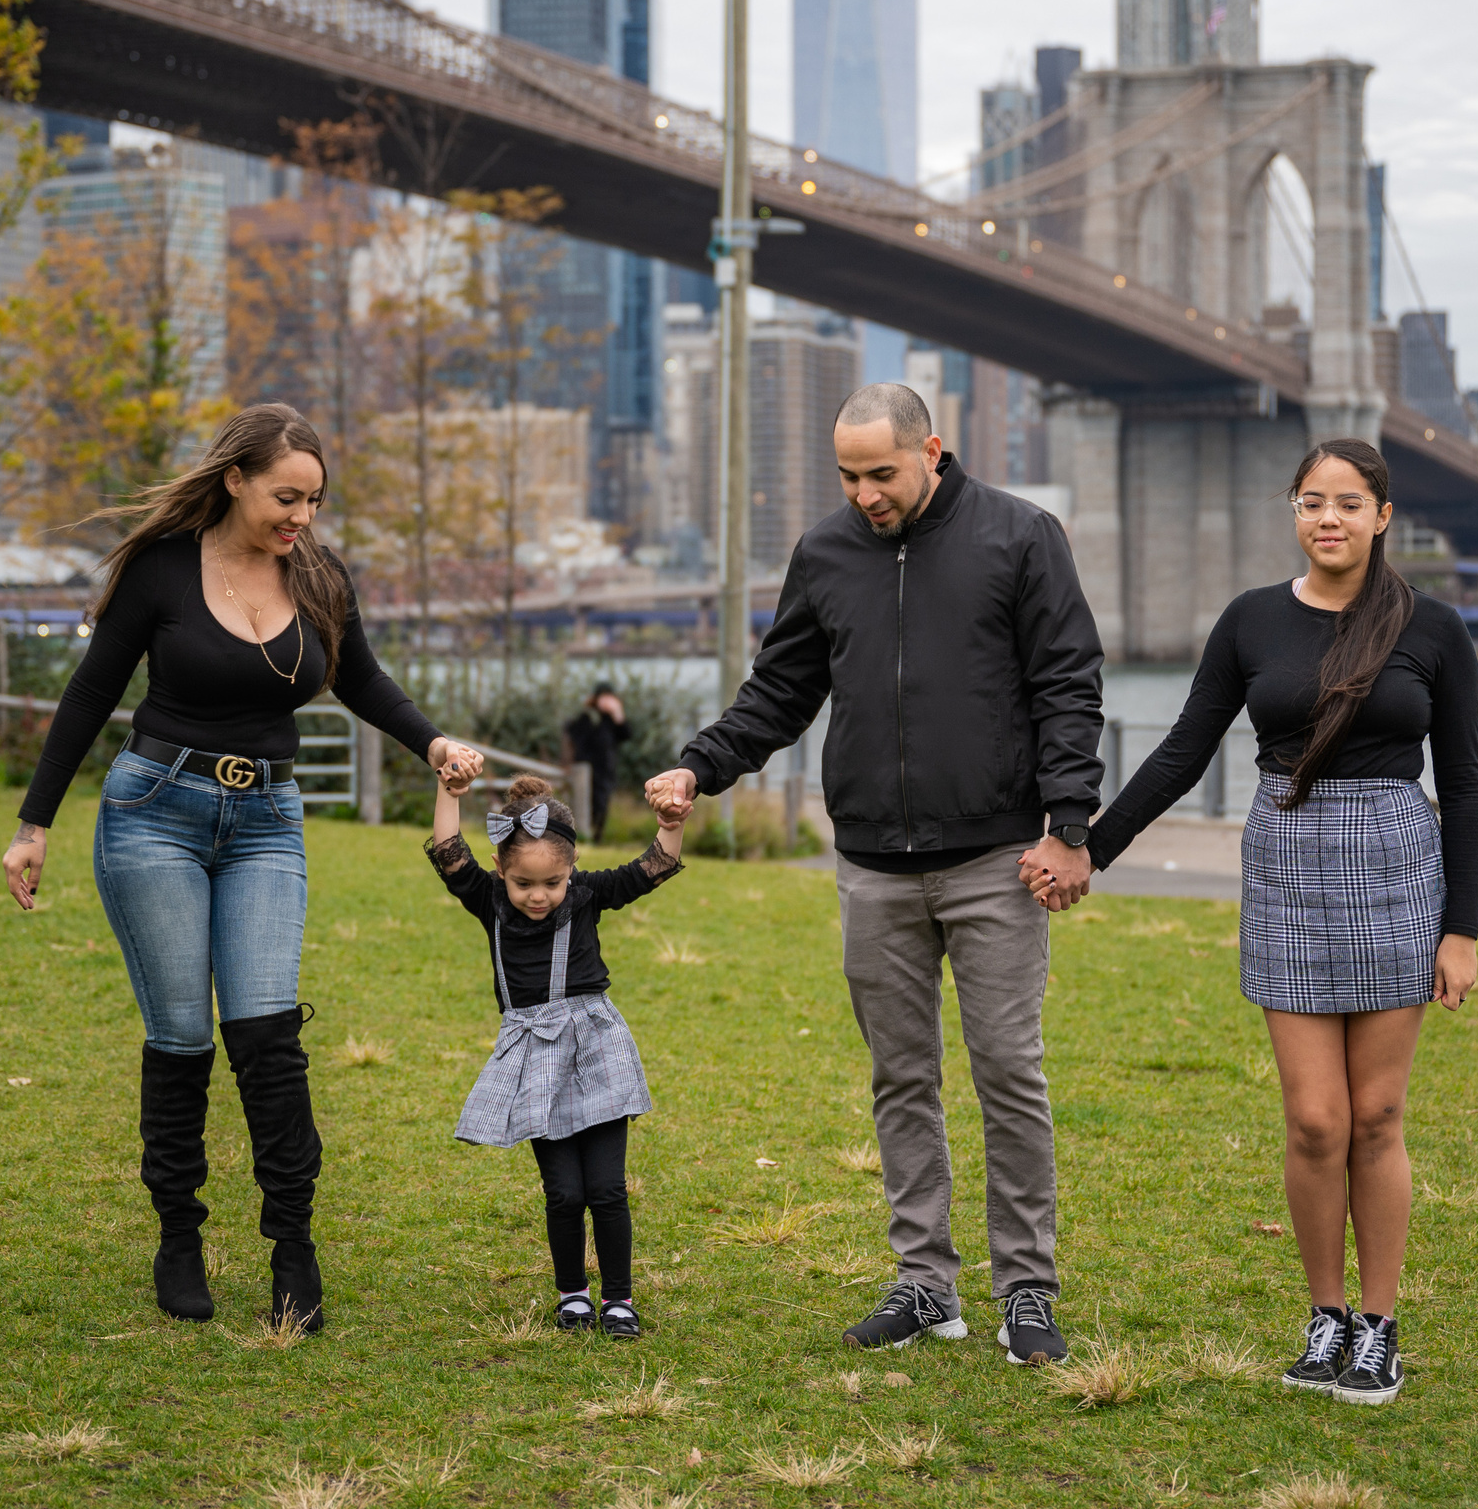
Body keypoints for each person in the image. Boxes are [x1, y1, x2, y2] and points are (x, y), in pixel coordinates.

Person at [645, 383, 1103, 1367]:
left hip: (994, 857)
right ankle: (925, 1284)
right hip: (871, 868)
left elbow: (1068, 684)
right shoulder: (827, 553)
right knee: (901, 1080)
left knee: (1007, 1075)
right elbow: (779, 692)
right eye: (848, 477)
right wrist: (701, 764)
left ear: (930, 450)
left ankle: (1025, 1289)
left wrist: (1069, 826)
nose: (864, 495)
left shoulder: (1021, 538)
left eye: (881, 474)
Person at [2, 403, 484, 1334]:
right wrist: (34, 824)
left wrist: (431, 744)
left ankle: (292, 1245)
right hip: (155, 813)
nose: (300, 516)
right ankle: (179, 1237)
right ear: (235, 479)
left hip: (267, 817)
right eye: (285, 496)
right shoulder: (163, 571)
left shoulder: (318, 575)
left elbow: (360, 679)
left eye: (314, 500)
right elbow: (92, 689)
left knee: (266, 1034)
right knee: (182, 1034)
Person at [1052, 438, 1478, 1407]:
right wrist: (1090, 847)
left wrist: (1462, 929)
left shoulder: (1433, 629)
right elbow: (1179, 753)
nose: (1326, 518)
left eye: (1345, 503)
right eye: (1308, 502)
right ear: (1293, 513)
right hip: (1287, 860)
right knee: (1312, 1120)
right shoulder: (1249, 621)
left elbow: (1460, 782)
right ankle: (1322, 1315)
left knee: (1376, 1115)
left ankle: (1377, 1327)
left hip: (1397, 864)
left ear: (1381, 516)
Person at [426, 771, 687, 1338]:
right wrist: (449, 793)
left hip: (596, 1047)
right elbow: (449, 853)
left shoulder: (588, 893)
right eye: (523, 883)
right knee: (565, 1191)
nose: (538, 896)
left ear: (571, 868)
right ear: (500, 870)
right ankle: (573, 1294)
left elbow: (652, 870)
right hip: (533, 1054)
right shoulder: (487, 900)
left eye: (552, 882)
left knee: (607, 1188)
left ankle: (619, 1299)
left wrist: (671, 825)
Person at [560, 685, 632, 838]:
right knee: (584, 803)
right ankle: (583, 834)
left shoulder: (610, 720)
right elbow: (575, 737)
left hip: (605, 770)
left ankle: (595, 836)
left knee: (601, 805)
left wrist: (618, 713)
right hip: (586, 770)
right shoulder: (587, 716)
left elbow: (626, 734)